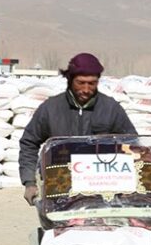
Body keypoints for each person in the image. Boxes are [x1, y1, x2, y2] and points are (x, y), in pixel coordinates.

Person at [19, 53, 137, 205]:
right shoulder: (50, 109)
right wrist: (30, 182)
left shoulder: (111, 108)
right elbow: (29, 142)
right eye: (80, 83)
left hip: (102, 189)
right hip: (59, 186)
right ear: (69, 80)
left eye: (92, 83)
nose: (86, 89)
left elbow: (133, 143)